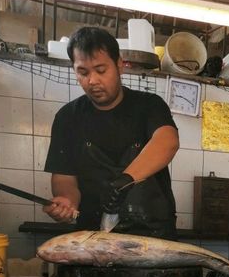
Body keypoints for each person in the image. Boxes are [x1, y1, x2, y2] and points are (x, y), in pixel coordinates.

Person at [43, 26, 180, 239]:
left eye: (100, 70)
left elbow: (167, 141)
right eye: (83, 72)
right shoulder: (67, 118)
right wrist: (67, 201)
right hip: (93, 234)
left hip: (152, 234)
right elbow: (64, 178)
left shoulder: (149, 106)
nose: (93, 81)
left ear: (119, 65)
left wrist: (125, 180)